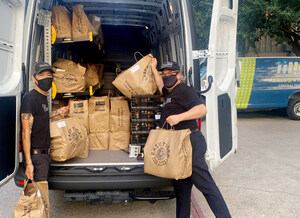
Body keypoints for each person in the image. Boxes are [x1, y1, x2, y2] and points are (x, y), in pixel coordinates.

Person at [151, 58, 231, 218]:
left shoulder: (184, 90)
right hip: (178, 146)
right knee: (182, 189)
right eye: (164, 74)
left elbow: (202, 109)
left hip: (190, 143)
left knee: (206, 186)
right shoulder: (169, 91)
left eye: (170, 74)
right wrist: (154, 69)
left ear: (178, 75)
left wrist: (179, 117)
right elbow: (161, 86)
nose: (166, 76)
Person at [20, 62, 69, 182]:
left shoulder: (43, 97)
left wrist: (57, 112)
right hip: (37, 157)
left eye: (48, 75)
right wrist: (29, 163)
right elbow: (26, 131)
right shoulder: (30, 98)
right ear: (34, 78)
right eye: (41, 75)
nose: (46, 78)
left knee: (41, 196)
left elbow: (41, 117)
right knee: (39, 197)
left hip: (44, 156)